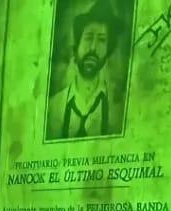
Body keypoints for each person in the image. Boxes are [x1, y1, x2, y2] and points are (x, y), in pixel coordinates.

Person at [46, 0, 127, 141]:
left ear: (108, 49)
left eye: (102, 40)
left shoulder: (119, 109)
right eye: (88, 38)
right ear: (77, 45)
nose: (93, 48)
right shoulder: (53, 108)